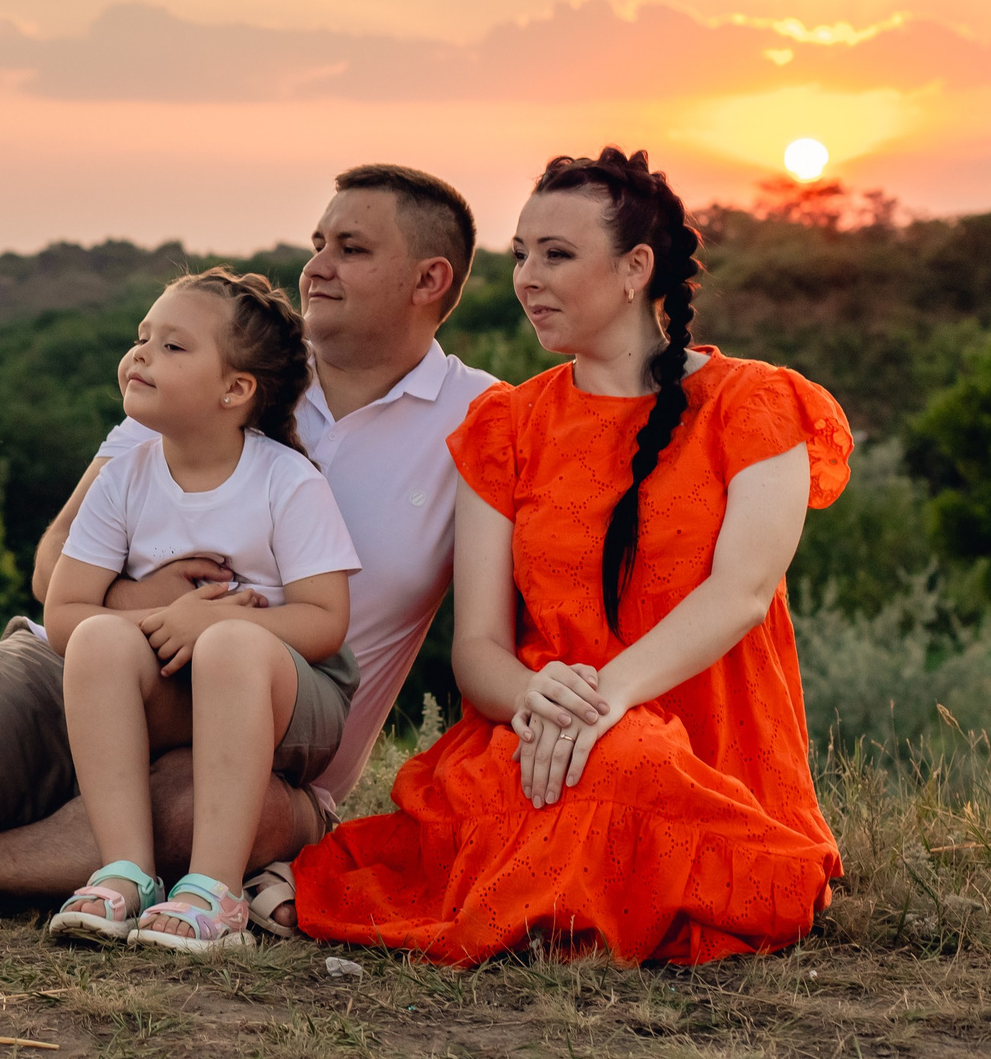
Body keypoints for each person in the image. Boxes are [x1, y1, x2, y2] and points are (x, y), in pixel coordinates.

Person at [0, 165, 497, 921]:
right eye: (318, 242)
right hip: (88, 662)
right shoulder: (211, 363)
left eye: (351, 249)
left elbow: (502, 624)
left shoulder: (484, 421)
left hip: (265, 735)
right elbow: (53, 566)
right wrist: (153, 604)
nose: (316, 265)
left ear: (429, 279)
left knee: (188, 820)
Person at [292, 148, 851, 964]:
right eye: (521, 254)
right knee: (598, 764)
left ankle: (571, 892)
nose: (528, 278)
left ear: (635, 269)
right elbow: (478, 649)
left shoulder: (756, 403)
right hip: (539, 737)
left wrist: (605, 701)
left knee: (632, 759)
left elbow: (740, 592)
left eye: (556, 254)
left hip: (702, 753)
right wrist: (537, 698)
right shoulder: (505, 426)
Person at [42, 269, 360, 955]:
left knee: (230, 646)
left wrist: (213, 623)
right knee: (97, 638)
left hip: (290, 702)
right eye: (142, 337)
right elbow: (63, 612)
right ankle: (126, 873)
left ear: (235, 389)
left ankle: (215, 890)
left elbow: (325, 620)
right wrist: (171, 621)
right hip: (178, 685)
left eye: (172, 346)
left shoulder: (285, 480)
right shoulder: (123, 476)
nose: (141, 353)